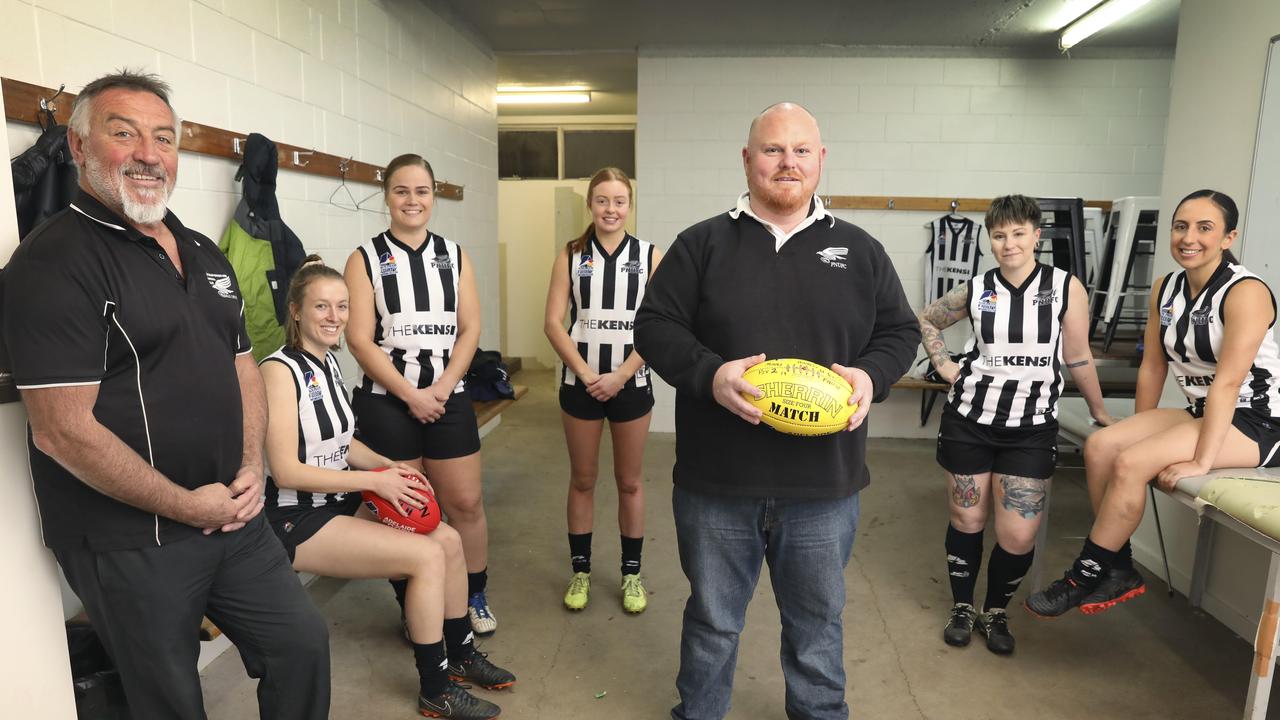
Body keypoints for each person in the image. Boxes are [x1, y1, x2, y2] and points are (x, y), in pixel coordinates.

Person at [1, 70, 329, 719]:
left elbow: (243, 366)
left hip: (233, 516)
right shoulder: (52, 262)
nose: (149, 153)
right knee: (170, 701)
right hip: (130, 540)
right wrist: (185, 503)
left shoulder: (203, 250)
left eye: (163, 137)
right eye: (124, 134)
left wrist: (249, 466)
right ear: (79, 146)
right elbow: (61, 429)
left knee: (301, 644)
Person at [634, 102, 920, 720]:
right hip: (718, 482)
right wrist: (710, 375)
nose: (786, 162)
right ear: (747, 159)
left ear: (821, 161)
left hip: (823, 486)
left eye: (800, 150)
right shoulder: (701, 243)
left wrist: (871, 377)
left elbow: (900, 332)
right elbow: (653, 326)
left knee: (817, 624)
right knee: (712, 621)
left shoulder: (860, 249)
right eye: (772, 149)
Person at [261, 257, 515, 719]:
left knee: (449, 540)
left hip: (338, 504)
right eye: (322, 306)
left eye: (342, 306)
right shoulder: (278, 371)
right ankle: (435, 689)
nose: (334, 316)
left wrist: (390, 466)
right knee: (423, 556)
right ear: (295, 311)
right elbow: (287, 471)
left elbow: (343, 443)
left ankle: (460, 654)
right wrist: (375, 481)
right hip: (295, 518)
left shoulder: (329, 365)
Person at [1026, 189, 1280, 617]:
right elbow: (1152, 367)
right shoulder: (1166, 287)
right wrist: (1139, 429)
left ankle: (1084, 575)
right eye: (1181, 226)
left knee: (1130, 463)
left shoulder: (1246, 292)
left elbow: (1229, 382)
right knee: (1102, 446)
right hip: (1204, 411)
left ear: (1228, 237)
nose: (1189, 237)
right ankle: (1119, 566)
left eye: (1205, 228)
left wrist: (1201, 460)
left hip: (1257, 421)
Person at [918, 195, 1114, 654]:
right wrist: (944, 365)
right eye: (1000, 235)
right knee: (968, 517)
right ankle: (963, 607)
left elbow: (1078, 356)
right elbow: (927, 318)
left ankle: (996, 610)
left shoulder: (1066, 288)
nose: (1008, 244)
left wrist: (1100, 412)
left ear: (1036, 236)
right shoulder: (978, 286)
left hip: (1030, 427)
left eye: (1018, 233)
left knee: (1018, 533)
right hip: (970, 418)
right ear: (991, 238)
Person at [344, 154, 499, 635]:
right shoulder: (364, 257)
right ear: (387, 196)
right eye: (401, 191)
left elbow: (470, 328)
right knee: (404, 512)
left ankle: (474, 595)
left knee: (466, 503)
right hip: (387, 401)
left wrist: (444, 387)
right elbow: (359, 339)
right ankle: (418, 606)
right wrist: (410, 394)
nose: (412, 200)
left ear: (434, 196)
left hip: (446, 396)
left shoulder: (454, 255)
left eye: (422, 191)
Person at [543, 167, 663, 613]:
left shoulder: (651, 256)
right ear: (589, 204)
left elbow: (659, 326)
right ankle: (581, 571)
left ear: (629, 206)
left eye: (619, 201)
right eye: (602, 201)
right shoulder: (571, 255)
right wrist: (587, 372)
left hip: (631, 384)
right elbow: (553, 322)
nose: (610, 209)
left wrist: (620, 375)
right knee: (583, 479)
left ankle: (631, 575)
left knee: (630, 482)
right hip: (581, 386)